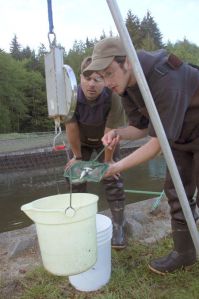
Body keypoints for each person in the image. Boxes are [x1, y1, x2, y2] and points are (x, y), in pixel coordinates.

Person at [83, 37, 199, 274]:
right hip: (180, 137)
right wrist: (118, 133)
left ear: (126, 62)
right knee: (176, 191)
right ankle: (185, 253)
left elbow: (156, 145)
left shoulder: (165, 78)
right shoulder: (124, 86)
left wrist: (115, 167)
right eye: (101, 76)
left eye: (108, 73)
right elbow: (142, 127)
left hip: (189, 131)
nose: (106, 82)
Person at [65, 56, 127, 249]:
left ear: (104, 81)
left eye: (97, 79)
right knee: (76, 177)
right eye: (87, 78)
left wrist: (108, 163)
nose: (91, 84)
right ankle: (78, 222)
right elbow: (71, 127)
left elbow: (111, 130)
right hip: (81, 142)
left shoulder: (114, 96)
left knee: (112, 178)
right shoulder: (71, 96)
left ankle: (119, 226)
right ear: (80, 78)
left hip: (106, 140)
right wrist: (77, 157)